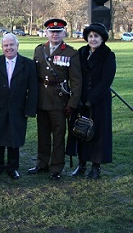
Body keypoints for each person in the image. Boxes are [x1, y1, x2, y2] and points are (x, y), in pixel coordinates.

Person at [28, 18, 82, 180]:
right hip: (41, 99)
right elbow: (34, 77)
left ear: (63, 33)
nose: (55, 35)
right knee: (43, 134)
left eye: (58, 32)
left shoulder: (71, 53)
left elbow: (77, 82)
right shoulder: (39, 50)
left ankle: (56, 167)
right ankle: (41, 163)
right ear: (46, 33)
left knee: (58, 135)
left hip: (59, 100)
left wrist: (72, 103)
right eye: (52, 32)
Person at [0, 33, 38, 180]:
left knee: (14, 139)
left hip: (18, 108)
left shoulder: (28, 64)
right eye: (6, 45)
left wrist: (29, 110)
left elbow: (33, 89)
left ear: (17, 46)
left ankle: (13, 168)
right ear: (2, 47)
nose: (9, 48)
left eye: (11, 45)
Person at [68, 23, 116, 179]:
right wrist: (79, 98)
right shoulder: (81, 52)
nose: (93, 39)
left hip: (99, 101)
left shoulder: (108, 55)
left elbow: (106, 80)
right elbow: (76, 76)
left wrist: (91, 99)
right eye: (90, 36)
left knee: (97, 133)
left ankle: (96, 167)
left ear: (102, 39)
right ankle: (81, 164)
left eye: (96, 36)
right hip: (81, 99)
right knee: (80, 131)